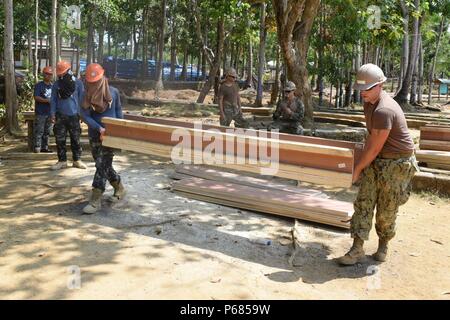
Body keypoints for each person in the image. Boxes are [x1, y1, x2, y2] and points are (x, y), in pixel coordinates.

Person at [338, 63, 419, 266]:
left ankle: (383, 245)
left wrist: (357, 168)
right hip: (378, 158)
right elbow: (371, 140)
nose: (363, 93)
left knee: (386, 209)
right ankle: (356, 249)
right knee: (364, 201)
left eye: (368, 89)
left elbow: (374, 148)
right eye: (361, 89)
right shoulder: (369, 103)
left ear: (380, 85)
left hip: (396, 164)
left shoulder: (384, 109)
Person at [80, 63, 125, 214]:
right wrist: (99, 128)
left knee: (101, 164)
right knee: (103, 165)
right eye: (90, 82)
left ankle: (95, 199)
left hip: (110, 136)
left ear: (103, 77)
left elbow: (118, 110)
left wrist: (119, 129)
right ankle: (119, 187)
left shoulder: (113, 92)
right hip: (95, 134)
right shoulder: (85, 94)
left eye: (96, 81)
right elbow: (84, 115)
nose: (93, 84)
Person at [50, 60, 87, 170]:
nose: (61, 74)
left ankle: (77, 160)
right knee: (60, 139)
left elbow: (81, 99)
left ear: (68, 71)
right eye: (59, 73)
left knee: (75, 139)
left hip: (74, 115)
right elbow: (53, 100)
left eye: (62, 72)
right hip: (60, 115)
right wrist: (52, 114)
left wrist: (81, 114)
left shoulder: (78, 83)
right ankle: (62, 161)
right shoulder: (56, 85)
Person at [33, 66, 54, 153]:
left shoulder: (53, 86)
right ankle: (37, 147)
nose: (48, 76)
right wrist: (47, 101)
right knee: (39, 130)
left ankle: (44, 147)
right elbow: (36, 97)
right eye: (47, 74)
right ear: (43, 74)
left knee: (47, 131)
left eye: (50, 74)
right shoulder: (39, 85)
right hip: (40, 112)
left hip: (49, 112)